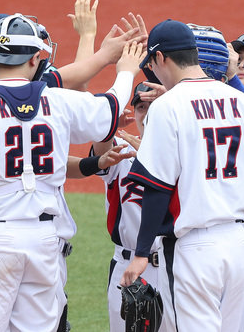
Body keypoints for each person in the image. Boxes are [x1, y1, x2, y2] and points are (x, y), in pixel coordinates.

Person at [0, 13, 146, 332]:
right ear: (34, 59)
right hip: (44, 240)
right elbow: (111, 109)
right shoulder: (57, 100)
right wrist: (125, 72)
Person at [120, 19, 244, 331]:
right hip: (236, 243)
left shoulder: (169, 105)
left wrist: (140, 254)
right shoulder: (242, 102)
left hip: (193, 250)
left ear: (162, 58)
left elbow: (157, 187)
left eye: (152, 63)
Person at [90, 82, 159, 332]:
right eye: (141, 107)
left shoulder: (185, 149)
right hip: (128, 265)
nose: (147, 113)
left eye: (154, 105)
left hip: (176, 264)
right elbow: (99, 155)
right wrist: (108, 128)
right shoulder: (123, 150)